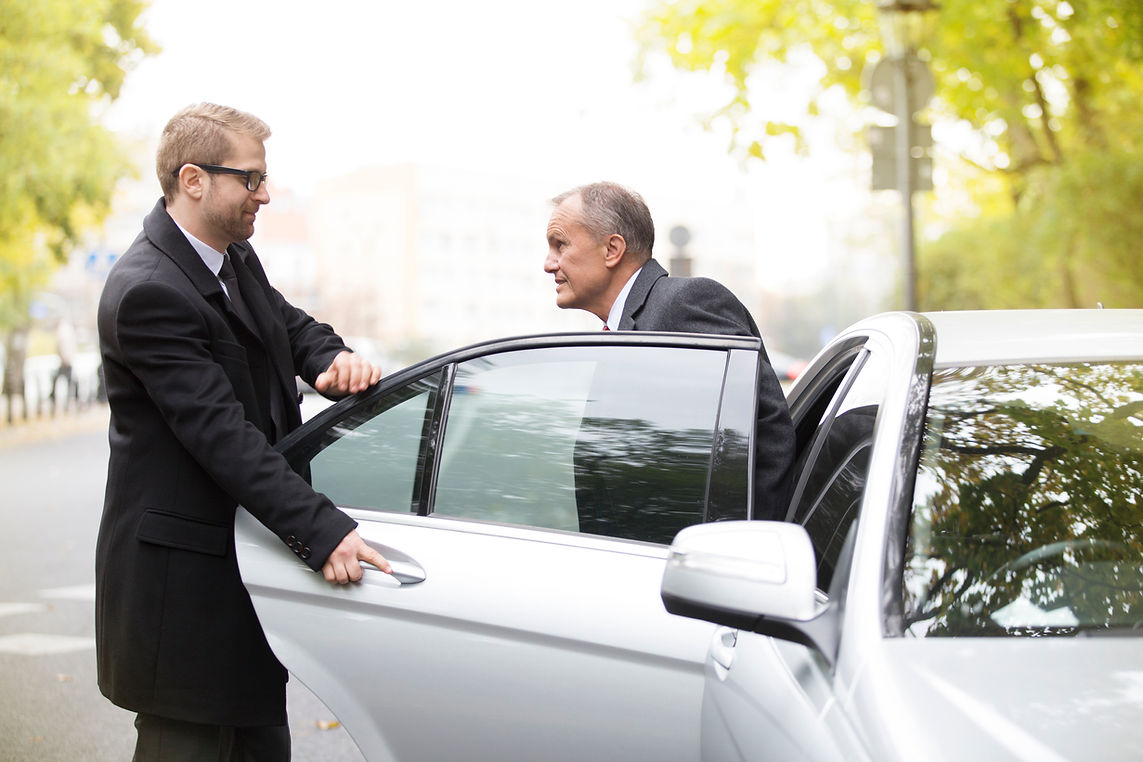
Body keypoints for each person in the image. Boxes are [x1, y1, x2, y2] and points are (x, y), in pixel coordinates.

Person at [95, 103, 391, 761]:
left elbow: (288, 325)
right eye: (251, 179)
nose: (265, 193)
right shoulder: (150, 291)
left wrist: (329, 361)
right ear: (194, 180)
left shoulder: (232, 257)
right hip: (184, 593)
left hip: (239, 576)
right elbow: (221, 436)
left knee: (259, 742)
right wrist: (323, 530)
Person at [544, 181, 795, 520]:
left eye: (560, 245)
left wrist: (746, 550)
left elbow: (762, 436)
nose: (549, 264)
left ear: (612, 250)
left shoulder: (683, 305)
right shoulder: (622, 331)